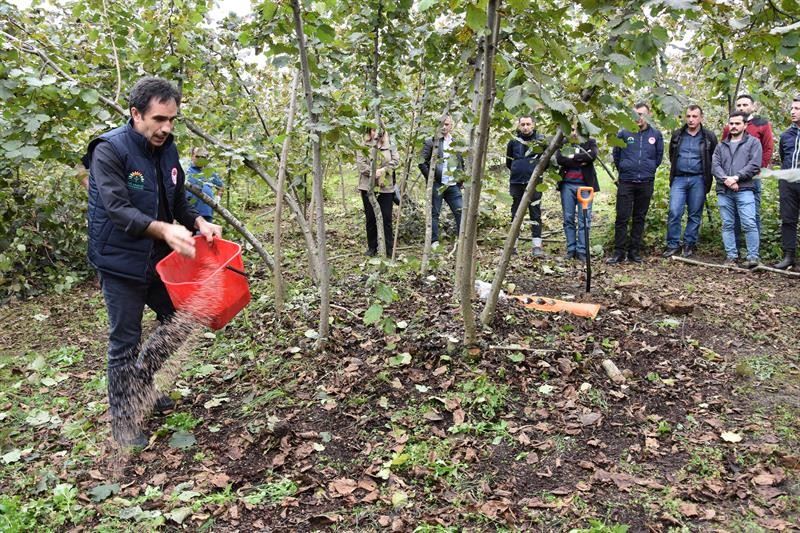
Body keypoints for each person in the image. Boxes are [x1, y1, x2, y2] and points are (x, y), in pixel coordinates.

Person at [84, 77, 222, 447]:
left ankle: (142, 383)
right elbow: (117, 209)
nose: (166, 127)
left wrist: (198, 222)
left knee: (181, 319)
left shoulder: (167, 150)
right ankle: (124, 420)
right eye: (159, 119)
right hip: (119, 261)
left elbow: (177, 201)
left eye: (172, 120)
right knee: (124, 342)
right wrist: (162, 229)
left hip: (158, 260)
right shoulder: (109, 151)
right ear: (136, 114)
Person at [608, 103, 664, 264]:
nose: (638, 118)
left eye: (641, 114)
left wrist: (649, 169)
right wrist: (625, 169)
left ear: (648, 115)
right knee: (622, 217)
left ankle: (634, 252)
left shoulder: (656, 135)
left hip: (646, 181)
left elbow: (658, 157)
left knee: (639, 217)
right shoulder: (624, 132)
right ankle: (619, 253)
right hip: (626, 181)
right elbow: (617, 155)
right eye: (635, 114)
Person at [663, 105, 718, 258]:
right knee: (674, 211)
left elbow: (714, 157)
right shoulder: (677, 135)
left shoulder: (709, 137)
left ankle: (689, 244)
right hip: (679, 178)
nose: (691, 119)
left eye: (694, 116)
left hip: (699, 178)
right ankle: (673, 244)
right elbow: (672, 154)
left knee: (695, 213)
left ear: (701, 118)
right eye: (688, 116)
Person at [712, 111, 762, 268]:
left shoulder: (753, 143)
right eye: (731, 123)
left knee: (749, 222)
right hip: (724, 190)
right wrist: (726, 180)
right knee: (727, 224)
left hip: (745, 188)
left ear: (745, 125)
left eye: (737, 123)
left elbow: (754, 165)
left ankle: (753, 257)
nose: (733, 126)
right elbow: (715, 165)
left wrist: (736, 177)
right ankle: (731, 257)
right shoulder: (721, 145)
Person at [721, 94, 775, 237]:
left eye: (745, 105)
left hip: (752, 176)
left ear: (753, 106)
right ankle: (735, 250)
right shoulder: (730, 127)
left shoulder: (762, 124)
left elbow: (768, 148)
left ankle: (753, 252)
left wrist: (757, 169)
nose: (742, 108)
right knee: (734, 213)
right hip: (732, 177)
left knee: (753, 213)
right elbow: (723, 149)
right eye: (739, 105)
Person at [418, 115, 464, 248]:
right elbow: (422, 163)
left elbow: (460, 162)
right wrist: (431, 178)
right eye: (442, 124)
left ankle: (461, 239)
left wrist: (460, 179)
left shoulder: (455, 142)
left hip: (453, 185)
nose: (444, 127)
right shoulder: (431, 142)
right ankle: (434, 241)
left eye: (447, 124)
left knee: (460, 210)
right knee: (434, 213)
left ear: (451, 126)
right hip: (437, 184)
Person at [555, 126, 600, 261]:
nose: (574, 133)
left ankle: (582, 250)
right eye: (571, 129)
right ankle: (571, 249)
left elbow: (592, 155)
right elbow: (560, 159)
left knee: (584, 219)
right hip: (567, 185)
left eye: (577, 130)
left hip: (585, 186)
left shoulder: (590, 142)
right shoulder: (564, 143)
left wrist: (573, 158)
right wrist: (581, 159)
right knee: (568, 218)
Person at [506, 115, 547, 257]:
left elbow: (545, 162)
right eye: (522, 124)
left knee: (535, 212)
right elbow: (509, 162)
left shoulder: (540, 141)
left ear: (533, 125)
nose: (525, 127)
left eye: (528, 124)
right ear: (518, 126)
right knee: (515, 213)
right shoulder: (513, 141)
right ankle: (513, 245)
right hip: (516, 182)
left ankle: (536, 246)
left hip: (534, 183)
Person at [356, 127, 399, 257]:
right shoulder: (363, 146)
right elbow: (361, 165)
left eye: (379, 129)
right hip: (367, 187)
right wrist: (374, 172)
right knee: (371, 218)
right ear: (369, 131)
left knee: (386, 218)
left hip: (386, 188)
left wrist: (384, 170)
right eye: (373, 130)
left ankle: (388, 249)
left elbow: (396, 161)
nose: (376, 132)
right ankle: (372, 248)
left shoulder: (390, 145)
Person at [773, 96, 800, 270]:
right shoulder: (786, 135)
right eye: (792, 108)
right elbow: (784, 157)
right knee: (788, 219)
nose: (792, 111)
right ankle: (789, 256)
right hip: (788, 183)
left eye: (797, 108)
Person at [185, 147, 224, 223]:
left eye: (203, 157)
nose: (200, 159)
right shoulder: (186, 169)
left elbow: (221, 187)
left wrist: (217, 199)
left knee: (206, 234)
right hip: (189, 211)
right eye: (197, 156)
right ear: (192, 156)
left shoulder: (209, 171)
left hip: (206, 211)